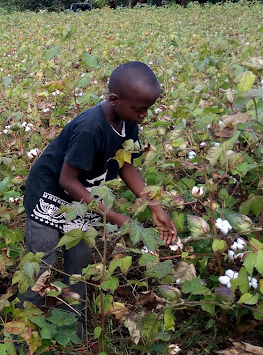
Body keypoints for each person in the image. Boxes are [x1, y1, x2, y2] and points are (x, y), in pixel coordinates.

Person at [21, 61, 177, 326]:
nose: (144, 116)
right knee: (41, 259)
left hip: (83, 199)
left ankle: (73, 317)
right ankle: (25, 320)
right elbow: (68, 180)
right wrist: (117, 217)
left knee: (80, 258)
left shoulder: (128, 122)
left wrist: (153, 205)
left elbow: (125, 164)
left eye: (147, 110)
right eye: (139, 110)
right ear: (115, 99)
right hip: (49, 195)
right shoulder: (90, 129)